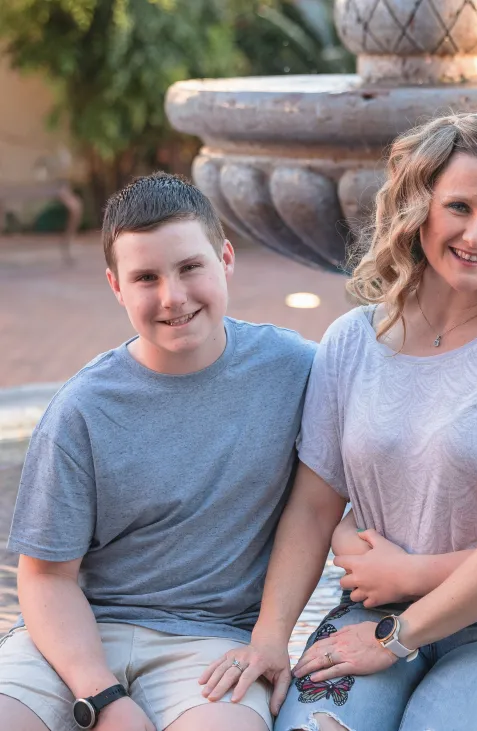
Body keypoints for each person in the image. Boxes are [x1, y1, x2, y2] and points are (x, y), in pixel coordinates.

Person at [200, 112, 477, 731]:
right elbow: (312, 507)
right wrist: (270, 638)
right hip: (370, 611)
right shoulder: (352, 340)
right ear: (417, 208)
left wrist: (396, 638)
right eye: (459, 206)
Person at [0, 173, 316, 731]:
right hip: (79, 634)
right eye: (146, 277)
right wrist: (102, 699)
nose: (173, 297)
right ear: (117, 286)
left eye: (190, 267)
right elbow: (46, 579)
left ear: (225, 259)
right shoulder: (83, 409)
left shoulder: (295, 369)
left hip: (211, 644)